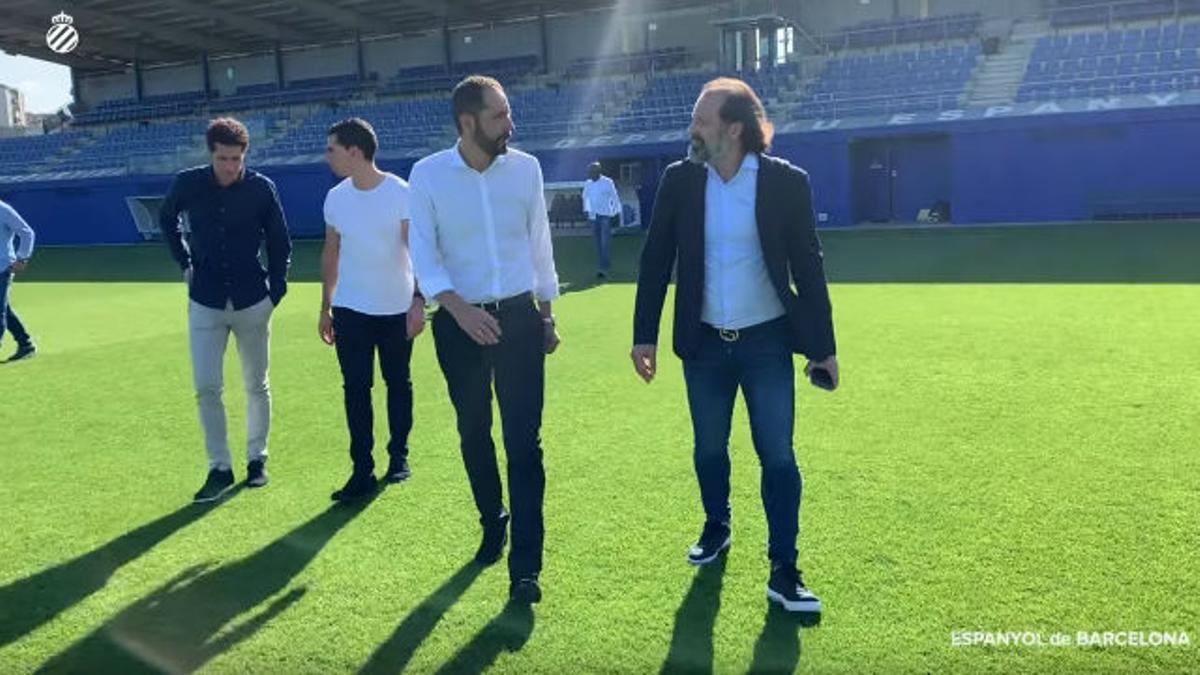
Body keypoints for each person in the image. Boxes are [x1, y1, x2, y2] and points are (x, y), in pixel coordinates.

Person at [631, 77, 838, 614]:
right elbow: (655, 260)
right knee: (708, 449)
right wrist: (643, 336)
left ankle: (784, 569)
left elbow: (809, 267)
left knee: (778, 456)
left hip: (767, 342)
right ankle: (717, 525)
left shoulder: (785, 183)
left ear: (734, 129)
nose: (692, 129)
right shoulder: (680, 181)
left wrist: (823, 346)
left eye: (702, 120)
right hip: (702, 346)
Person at [408, 75, 561, 605]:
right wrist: (459, 308)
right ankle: (491, 519)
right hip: (457, 323)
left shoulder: (526, 169)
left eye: (509, 114)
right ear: (467, 122)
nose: (510, 125)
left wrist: (547, 314)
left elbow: (539, 244)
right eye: (499, 116)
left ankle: (526, 565)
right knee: (474, 431)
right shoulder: (427, 176)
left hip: (519, 320)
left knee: (525, 443)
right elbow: (423, 257)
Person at [159, 117, 292, 503]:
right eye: (223, 159)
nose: (231, 166)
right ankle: (219, 467)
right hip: (205, 299)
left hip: (253, 300)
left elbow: (280, 241)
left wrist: (276, 290)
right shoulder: (188, 183)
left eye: (236, 159)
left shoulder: (262, 188)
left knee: (256, 384)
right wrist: (183, 261)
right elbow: (167, 219)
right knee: (206, 387)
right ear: (211, 154)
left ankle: (257, 460)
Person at [320, 117, 425, 502]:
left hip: (397, 308)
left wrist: (418, 301)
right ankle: (361, 469)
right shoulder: (335, 198)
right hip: (350, 309)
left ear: (354, 151)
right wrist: (325, 306)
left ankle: (399, 456)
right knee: (356, 389)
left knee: (398, 383)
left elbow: (418, 251)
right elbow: (331, 252)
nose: (326, 156)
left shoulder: (401, 193)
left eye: (332, 148)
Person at [0, 198, 36, 363]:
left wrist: (22, 258)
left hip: (3, 268)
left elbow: (26, 232)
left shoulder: (3, 210)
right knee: (4, 309)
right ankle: (26, 344)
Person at [582, 161, 621, 278]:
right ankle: (602, 263)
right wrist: (586, 211)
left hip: (605, 215)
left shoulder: (608, 182)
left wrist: (616, 213)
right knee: (598, 242)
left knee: (605, 242)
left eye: (592, 172)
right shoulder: (588, 183)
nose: (590, 175)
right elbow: (585, 198)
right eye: (589, 173)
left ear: (598, 172)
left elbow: (615, 198)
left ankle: (603, 267)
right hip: (593, 216)